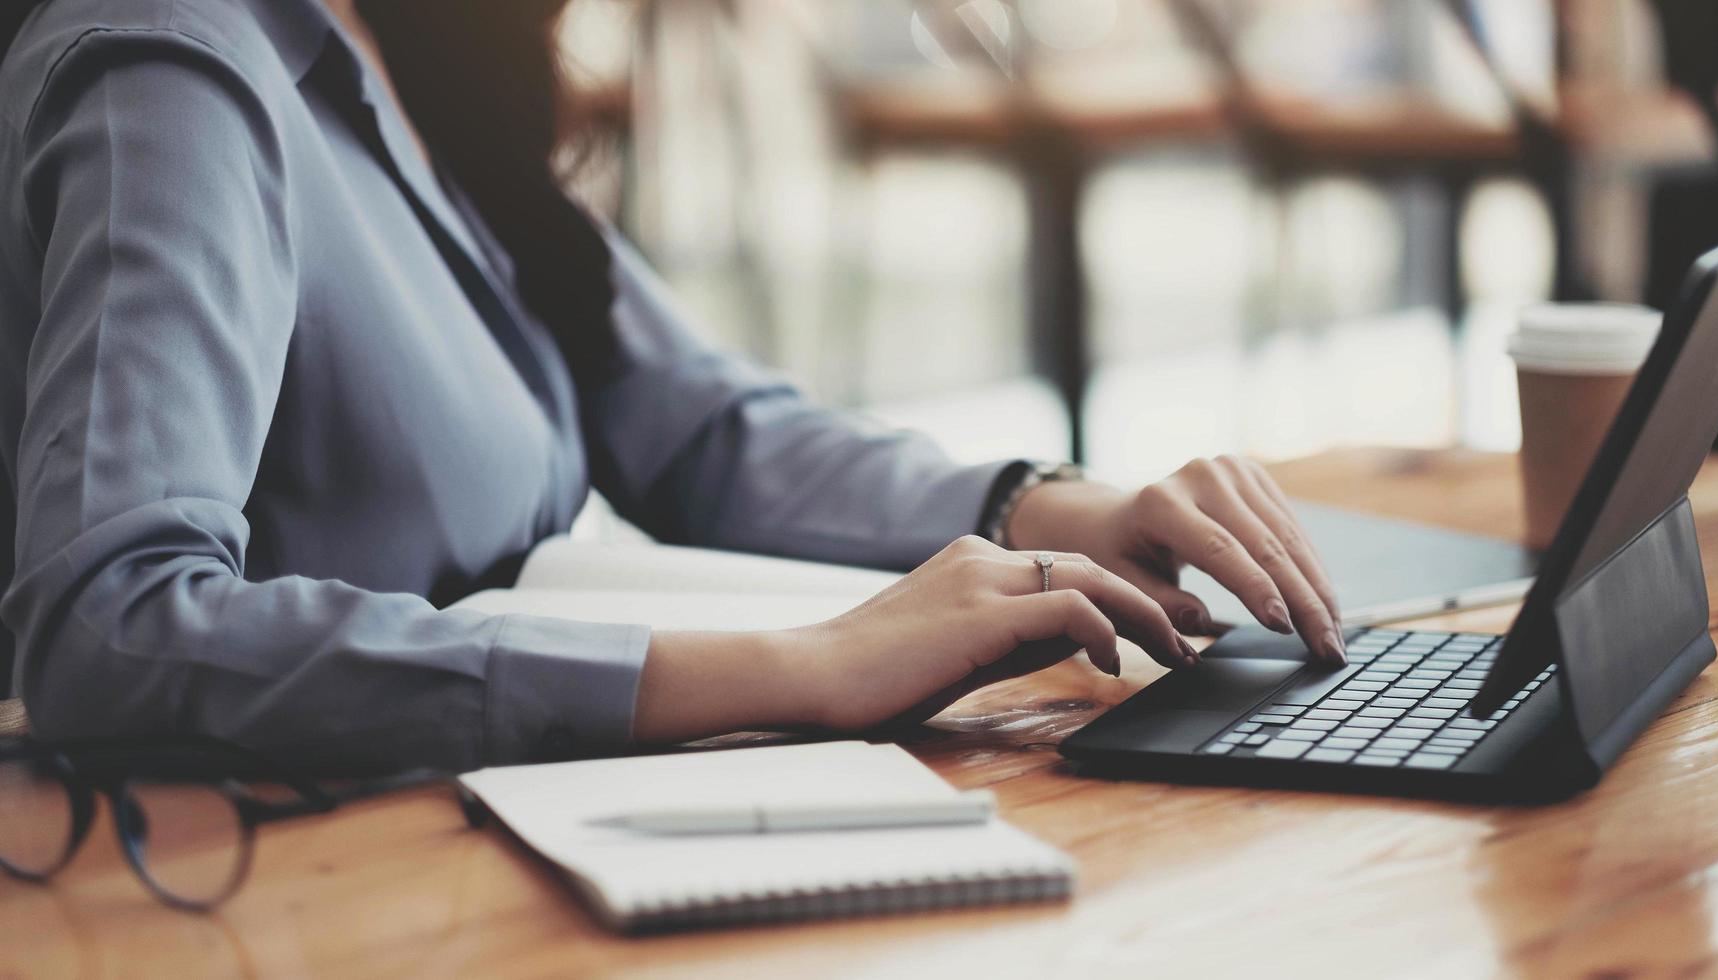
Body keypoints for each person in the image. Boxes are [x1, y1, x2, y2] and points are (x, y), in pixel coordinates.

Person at [0, 0, 1342, 774]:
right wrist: (797, 669)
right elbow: (111, 629)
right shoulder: (173, 71)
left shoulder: (416, 40)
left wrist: (1046, 508)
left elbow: (696, 427)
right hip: (285, 886)